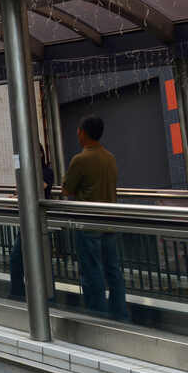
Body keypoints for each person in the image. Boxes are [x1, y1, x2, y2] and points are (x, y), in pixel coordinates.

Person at [61, 115, 128, 319]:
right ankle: (120, 313)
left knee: (92, 271)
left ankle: (97, 315)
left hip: (88, 223)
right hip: (110, 221)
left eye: (78, 130)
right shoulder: (110, 157)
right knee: (113, 271)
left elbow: (66, 189)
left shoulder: (80, 159)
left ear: (83, 132)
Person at [9, 144, 56, 300]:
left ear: (41, 154)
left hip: (38, 220)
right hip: (27, 219)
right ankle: (20, 293)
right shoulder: (29, 172)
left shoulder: (46, 172)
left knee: (24, 257)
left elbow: (37, 188)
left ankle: (38, 295)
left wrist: (20, 191)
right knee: (20, 258)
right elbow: (21, 190)